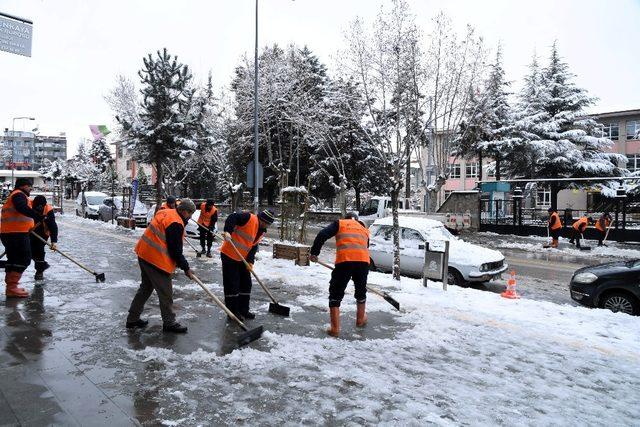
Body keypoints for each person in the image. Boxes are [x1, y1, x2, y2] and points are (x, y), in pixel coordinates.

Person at [126, 198, 196, 333]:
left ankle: (132, 319)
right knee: (165, 293)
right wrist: (186, 268)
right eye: (189, 213)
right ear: (183, 210)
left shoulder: (167, 212)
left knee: (145, 288)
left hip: (144, 253)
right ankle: (169, 322)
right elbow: (175, 251)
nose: (191, 216)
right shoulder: (175, 223)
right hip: (155, 259)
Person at [309, 212, 370, 337]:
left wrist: (314, 253)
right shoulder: (364, 228)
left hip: (345, 262)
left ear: (345, 218)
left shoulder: (340, 223)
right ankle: (360, 320)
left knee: (335, 293)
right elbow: (365, 245)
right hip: (363, 262)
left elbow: (322, 234)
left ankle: (335, 329)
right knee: (361, 291)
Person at [220, 209, 275, 320]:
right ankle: (233, 312)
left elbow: (252, 247)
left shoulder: (261, 230)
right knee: (232, 285)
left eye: (269, 224)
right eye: (267, 223)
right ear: (262, 219)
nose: (267, 226)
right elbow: (232, 217)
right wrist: (227, 231)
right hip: (229, 255)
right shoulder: (249, 218)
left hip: (242, 259)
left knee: (246, 284)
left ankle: (243, 310)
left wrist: (250, 262)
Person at [0, 178, 42, 298]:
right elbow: (21, 208)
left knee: (14, 260)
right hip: (16, 234)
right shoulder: (19, 195)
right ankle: (12, 287)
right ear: (23, 186)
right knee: (23, 258)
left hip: (11, 233)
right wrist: (37, 216)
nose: (30, 188)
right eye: (29, 186)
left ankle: (11, 287)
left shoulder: (16, 195)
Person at [30, 195, 58, 280]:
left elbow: (53, 226)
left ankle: (39, 272)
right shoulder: (28, 207)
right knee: (28, 251)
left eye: (41, 206)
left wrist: (53, 241)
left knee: (39, 251)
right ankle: (42, 265)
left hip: (42, 234)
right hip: (29, 233)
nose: (39, 208)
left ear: (44, 205)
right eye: (37, 206)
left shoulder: (48, 210)